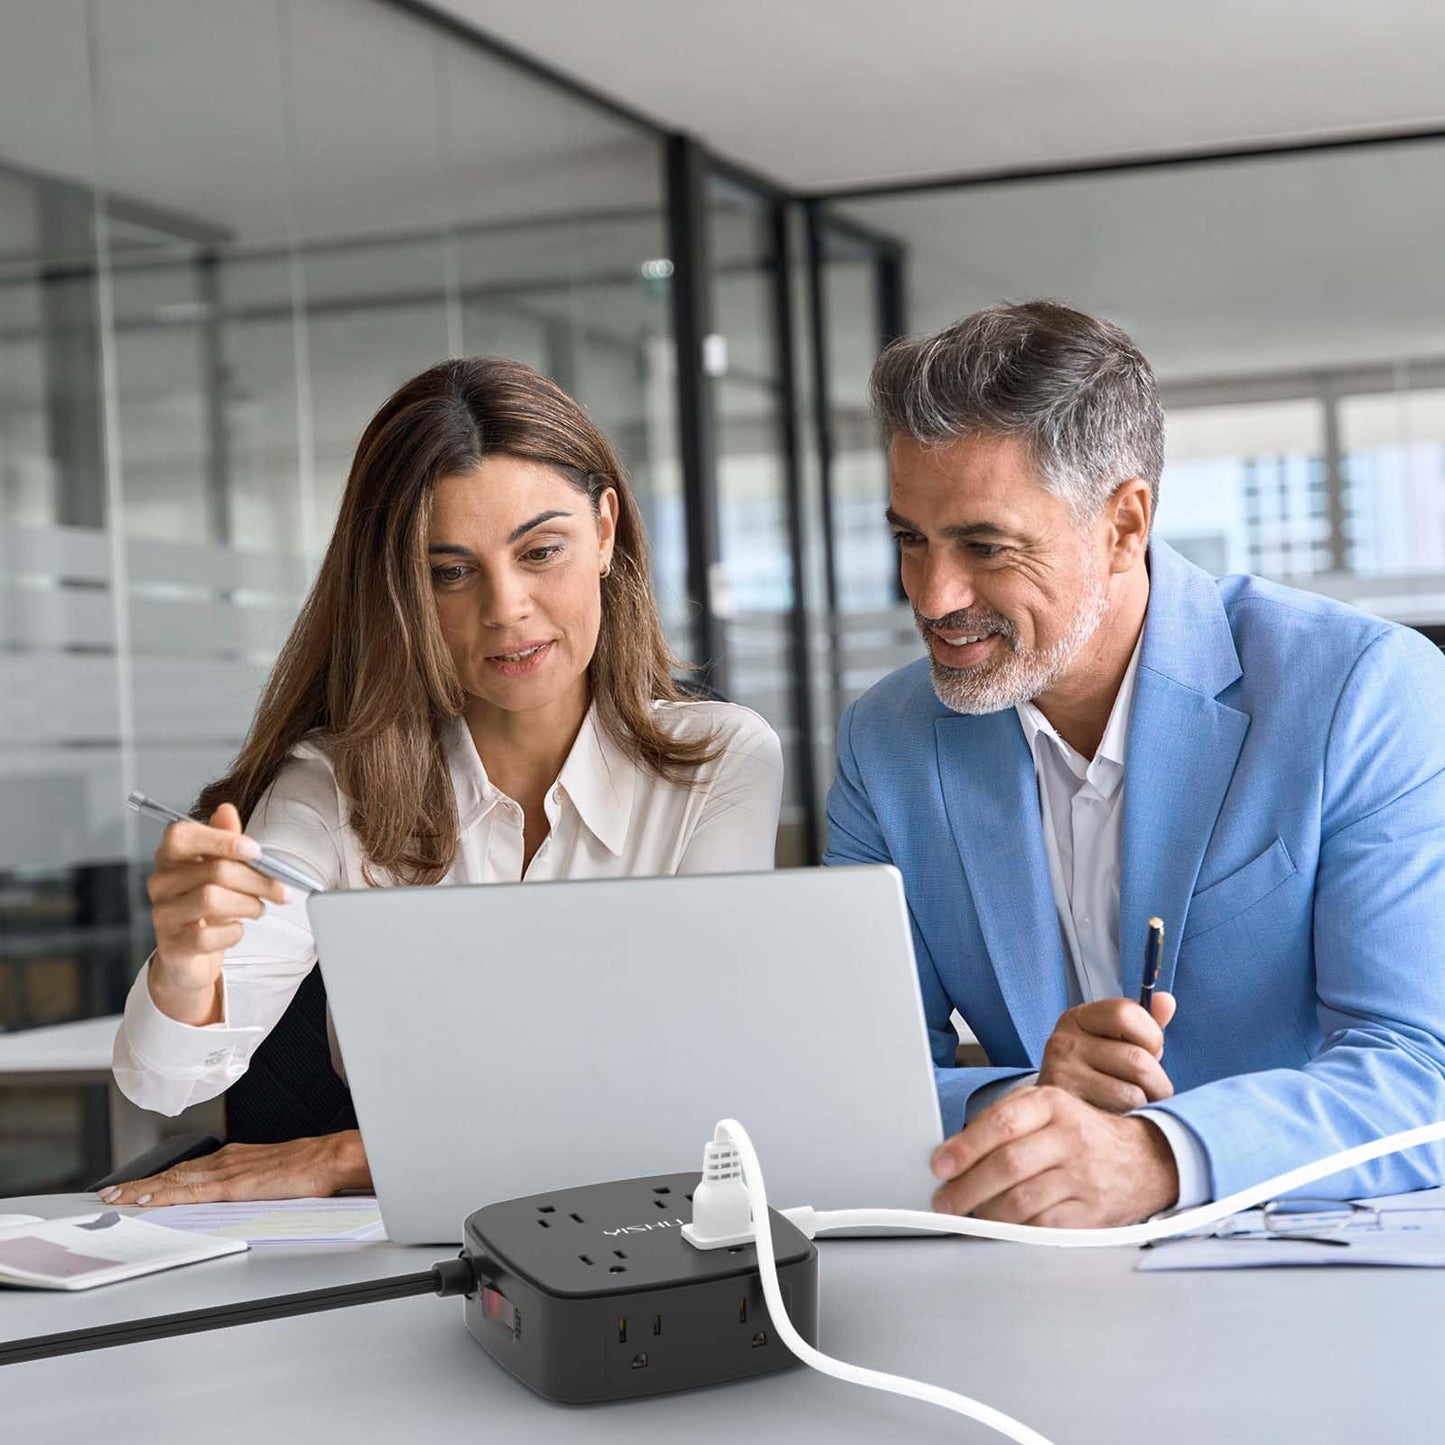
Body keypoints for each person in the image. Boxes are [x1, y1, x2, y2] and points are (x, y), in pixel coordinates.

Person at [825, 300, 1445, 1228]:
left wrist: (1160, 1155)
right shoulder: (887, 741)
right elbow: (855, 1078)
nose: (932, 596)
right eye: (910, 539)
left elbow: (1418, 1067)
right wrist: (1030, 1104)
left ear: (1124, 524)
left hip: (1311, 1253)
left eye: (984, 546)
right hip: (1019, 1271)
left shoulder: (1359, 688)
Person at [105, 357, 783, 1205]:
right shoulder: (334, 785)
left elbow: (690, 1098)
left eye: (540, 550)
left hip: (633, 1228)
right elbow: (162, 1083)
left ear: (605, 531)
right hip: (388, 1260)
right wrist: (184, 964)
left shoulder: (720, 763)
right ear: (400, 587)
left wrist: (354, 1155)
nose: (506, 608)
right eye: (449, 571)